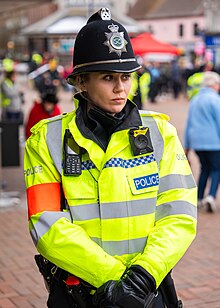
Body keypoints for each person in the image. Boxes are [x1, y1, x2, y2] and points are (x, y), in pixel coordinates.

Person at [24, 8, 197, 308]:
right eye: (107, 77)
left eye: (126, 76)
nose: (121, 88)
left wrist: (141, 278)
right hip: (82, 295)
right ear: (81, 82)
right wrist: (115, 280)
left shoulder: (161, 133)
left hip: (148, 290)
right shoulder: (46, 140)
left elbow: (179, 214)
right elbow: (47, 225)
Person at [184, 71, 220, 213]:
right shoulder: (215, 99)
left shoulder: (195, 99)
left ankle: (199, 198)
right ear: (213, 85)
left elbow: (188, 123)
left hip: (197, 142)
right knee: (217, 169)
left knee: (205, 168)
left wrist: (186, 145)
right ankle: (211, 196)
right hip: (214, 142)